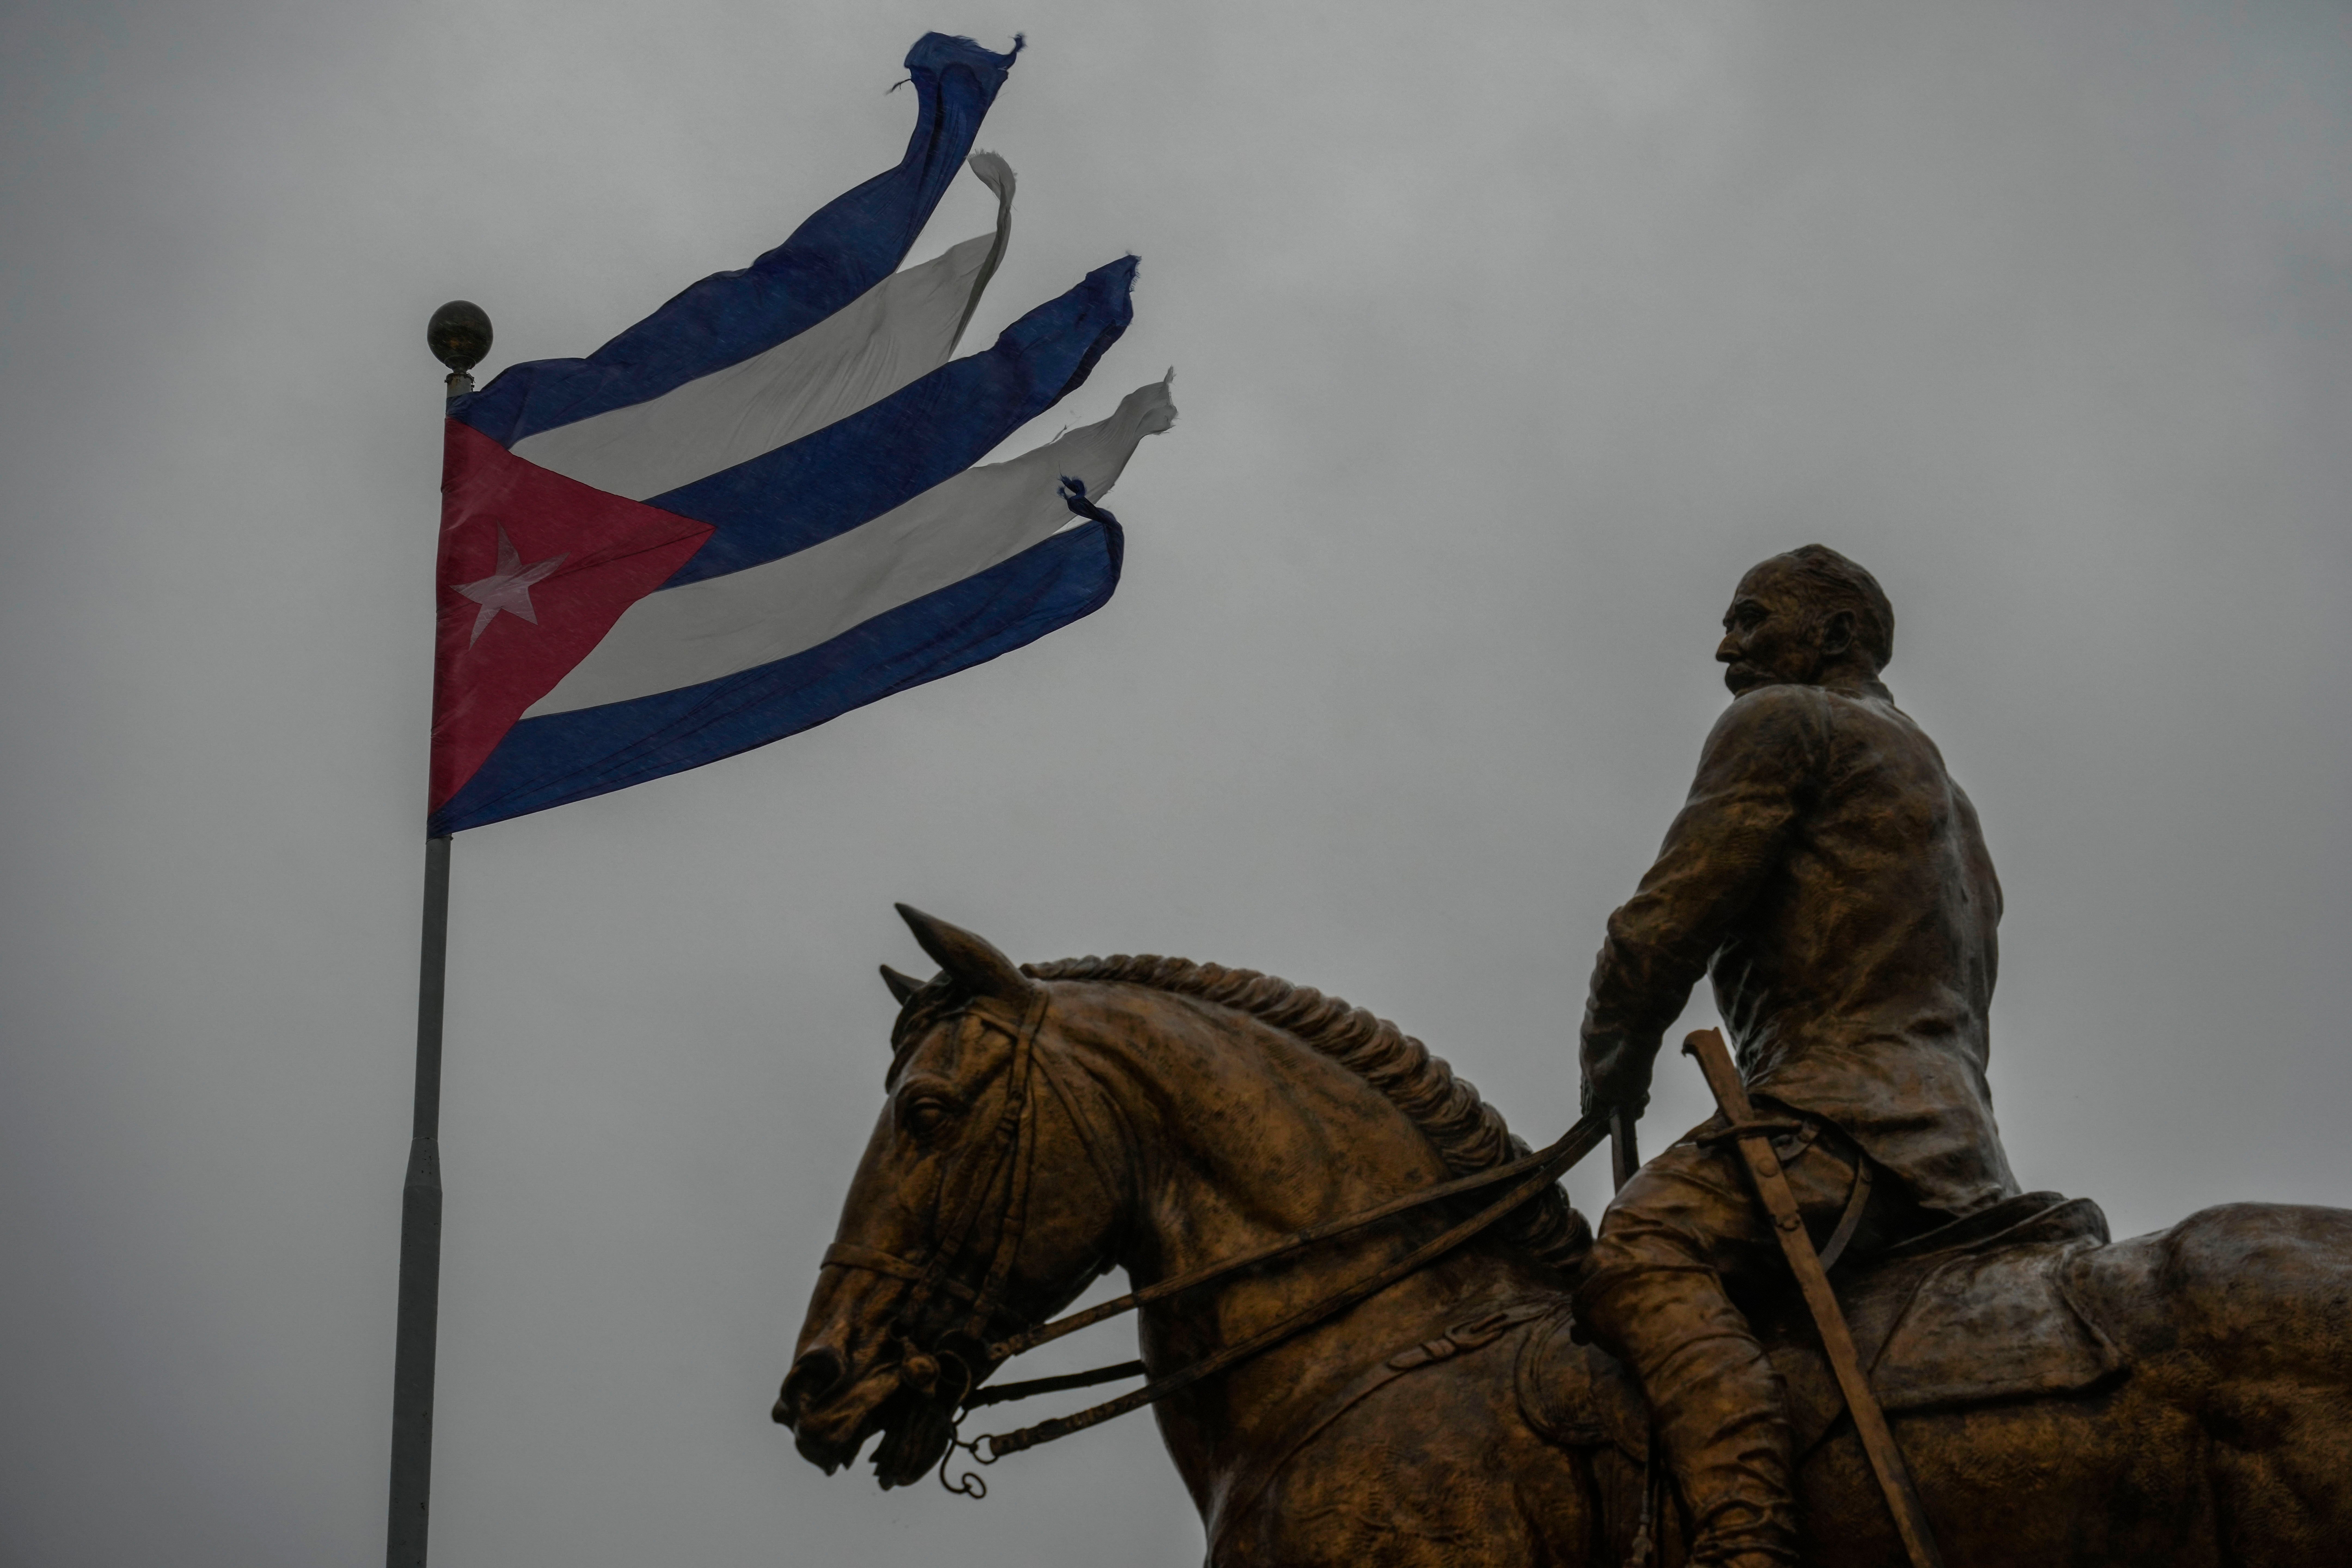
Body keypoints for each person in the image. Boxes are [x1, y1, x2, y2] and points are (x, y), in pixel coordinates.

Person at [1572, 545, 2020, 1567]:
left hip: (1840, 1122)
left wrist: (1613, 1068)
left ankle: (1745, 1540)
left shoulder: (1787, 723)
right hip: (1961, 1149)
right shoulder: (1953, 800)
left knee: (1643, 1246)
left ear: (1834, 637)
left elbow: (1662, 929)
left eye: (1751, 619)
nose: (1726, 646)